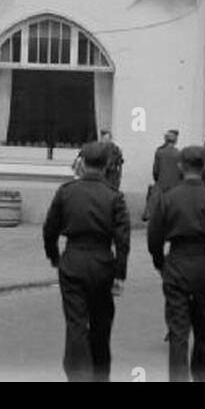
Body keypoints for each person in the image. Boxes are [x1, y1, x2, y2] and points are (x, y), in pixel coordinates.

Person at [42, 141, 131, 383]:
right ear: (105, 166)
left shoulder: (66, 191)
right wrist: (120, 273)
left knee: (76, 324)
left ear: (83, 163)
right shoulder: (115, 197)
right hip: (103, 262)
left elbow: (50, 229)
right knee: (101, 324)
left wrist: (55, 257)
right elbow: (123, 240)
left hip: (73, 260)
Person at [147, 143, 205, 382]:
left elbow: (154, 237)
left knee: (178, 333)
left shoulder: (168, 198)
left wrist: (160, 263)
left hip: (176, 263)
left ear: (180, 167)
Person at [143, 128, 182, 220]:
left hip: (161, 187)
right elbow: (181, 173)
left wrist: (159, 180)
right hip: (175, 188)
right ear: (176, 140)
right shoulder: (179, 154)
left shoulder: (159, 152)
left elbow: (155, 172)